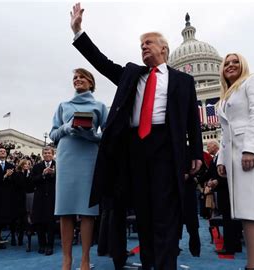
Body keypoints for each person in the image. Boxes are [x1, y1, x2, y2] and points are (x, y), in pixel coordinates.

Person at [70, 4, 203, 270]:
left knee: (165, 213)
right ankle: (147, 261)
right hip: (133, 149)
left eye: (148, 43)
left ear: (164, 49)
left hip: (165, 147)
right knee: (143, 212)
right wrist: (78, 32)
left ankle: (166, 265)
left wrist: (196, 153)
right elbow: (102, 62)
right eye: (141, 44)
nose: (143, 47)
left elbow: (191, 120)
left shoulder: (182, 81)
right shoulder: (132, 74)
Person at [216, 53, 254, 270]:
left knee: (252, 213)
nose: (231, 65)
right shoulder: (225, 96)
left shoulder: (253, 80)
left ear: (243, 66)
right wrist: (221, 160)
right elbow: (225, 132)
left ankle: (252, 267)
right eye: (226, 63)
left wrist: (250, 149)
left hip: (251, 150)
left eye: (235, 62)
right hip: (235, 154)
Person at [49, 68, 108, 270]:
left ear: (91, 82)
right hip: (66, 158)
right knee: (65, 210)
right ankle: (66, 259)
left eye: (82, 77)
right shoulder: (63, 106)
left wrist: (91, 134)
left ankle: (84, 259)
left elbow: (108, 136)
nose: (78, 80)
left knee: (87, 211)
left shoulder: (100, 106)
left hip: (89, 158)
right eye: (75, 77)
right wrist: (67, 128)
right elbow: (53, 134)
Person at [31, 147, 57, 256]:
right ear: (42, 154)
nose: (47, 154)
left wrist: (53, 174)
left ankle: (50, 246)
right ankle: (42, 244)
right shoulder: (37, 166)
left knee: (51, 223)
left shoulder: (58, 165)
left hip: (53, 198)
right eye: (45, 153)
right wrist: (42, 174)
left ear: (53, 154)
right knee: (40, 222)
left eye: (49, 153)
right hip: (39, 198)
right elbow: (32, 181)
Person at [10, 159, 31, 246]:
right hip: (15, 198)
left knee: (23, 219)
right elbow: (19, 184)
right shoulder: (16, 174)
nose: (27, 165)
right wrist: (26, 174)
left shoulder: (28, 174)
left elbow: (29, 186)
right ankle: (13, 237)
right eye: (25, 164)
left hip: (24, 198)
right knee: (14, 219)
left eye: (28, 164)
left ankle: (21, 237)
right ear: (22, 165)